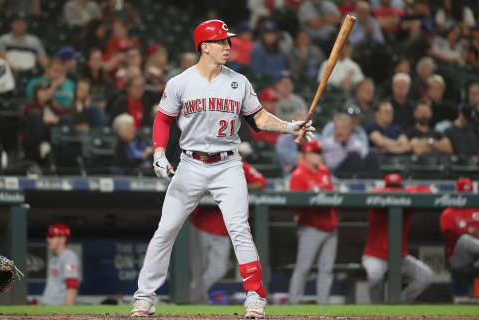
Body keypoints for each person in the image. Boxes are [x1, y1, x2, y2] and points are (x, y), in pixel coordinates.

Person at [130, 19, 315, 318]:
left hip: (228, 163)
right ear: (204, 47)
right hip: (190, 163)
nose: (228, 46)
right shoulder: (180, 82)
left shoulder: (238, 82)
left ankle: (255, 297)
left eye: (228, 41)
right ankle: (144, 297)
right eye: (221, 42)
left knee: (239, 229)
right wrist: (160, 153)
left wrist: (290, 126)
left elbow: (259, 119)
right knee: (166, 229)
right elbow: (163, 119)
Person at [190, 161, 267, 304]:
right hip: (200, 225)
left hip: (223, 229)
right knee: (197, 268)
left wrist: (236, 188)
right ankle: (197, 298)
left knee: (220, 268)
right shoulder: (204, 163)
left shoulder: (239, 165)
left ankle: (192, 295)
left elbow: (261, 183)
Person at [362, 174, 434, 304]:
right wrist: (397, 193)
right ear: (385, 187)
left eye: (396, 188)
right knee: (375, 277)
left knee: (426, 276)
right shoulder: (376, 200)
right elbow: (375, 191)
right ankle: (377, 312)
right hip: (374, 256)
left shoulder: (407, 202)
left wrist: (405, 192)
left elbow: (427, 190)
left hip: (400, 257)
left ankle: (398, 304)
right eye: (390, 188)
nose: (393, 192)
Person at [288, 140, 339, 304]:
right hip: (311, 227)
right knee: (304, 268)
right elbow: (296, 205)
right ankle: (293, 304)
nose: (319, 156)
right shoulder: (298, 175)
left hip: (330, 226)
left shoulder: (324, 171)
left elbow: (332, 196)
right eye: (315, 153)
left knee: (327, 268)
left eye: (319, 152)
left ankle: (323, 305)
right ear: (306, 155)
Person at [322, 113, 380, 177]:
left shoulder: (357, 144)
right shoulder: (327, 144)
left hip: (355, 173)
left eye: (343, 128)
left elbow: (365, 158)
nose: (339, 131)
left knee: (372, 155)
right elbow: (329, 165)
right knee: (354, 156)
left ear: (350, 130)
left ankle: (377, 182)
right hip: (336, 174)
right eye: (336, 128)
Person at [23, 83, 64, 165]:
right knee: (35, 116)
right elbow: (28, 122)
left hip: (51, 137)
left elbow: (62, 117)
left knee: (65, 120)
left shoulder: (53, 108)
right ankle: (42, 145)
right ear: (36, 93)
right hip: (33, 140)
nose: (45, 93)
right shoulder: (30, 107)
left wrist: (54, 119)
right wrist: (45, 119)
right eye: (42, 91)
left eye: (46, 91)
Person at [42, 224, 80, 305]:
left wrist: (67, 312)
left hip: (58, 307)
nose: (48, 240)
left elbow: (72, 285)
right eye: (48, 237)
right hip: (48, 305)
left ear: (62, 239)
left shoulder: (69, 256)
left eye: (52, 237)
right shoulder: (54, 258)